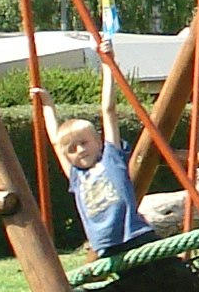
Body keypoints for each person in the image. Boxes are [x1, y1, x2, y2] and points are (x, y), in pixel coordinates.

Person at [37, 69, 156, 257]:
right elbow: (55, 142)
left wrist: (107, 67)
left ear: (99, 142)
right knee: (136, 286)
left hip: (134, 235)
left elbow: (108, 111)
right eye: (72, 149)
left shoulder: (111, 159)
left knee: (171, 277)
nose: (80, 150)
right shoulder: (76, 176)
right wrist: (47, 106)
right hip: (106, 246)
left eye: (84, 143)